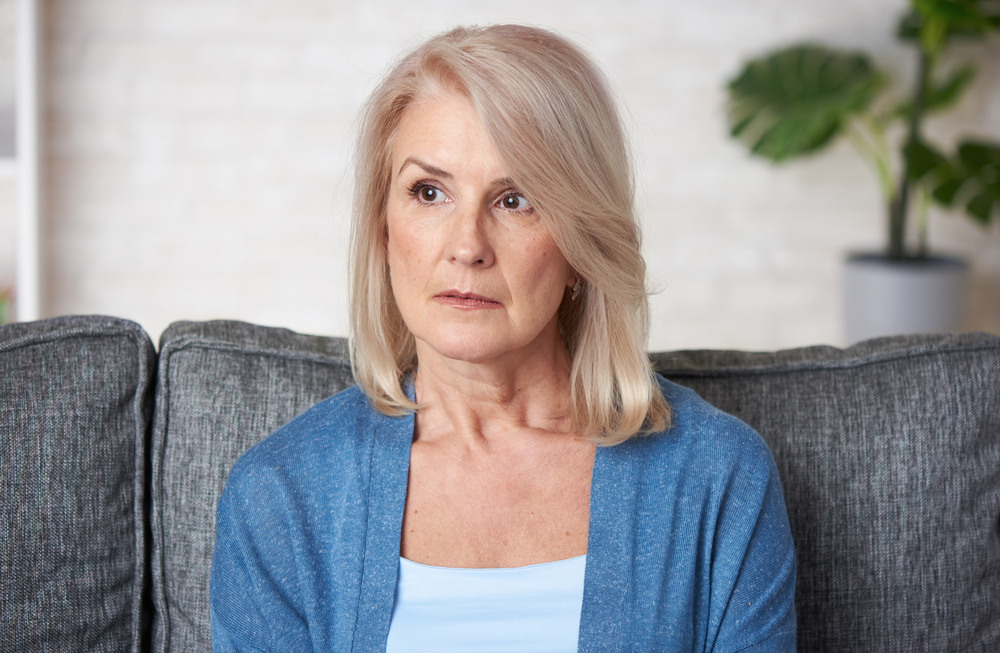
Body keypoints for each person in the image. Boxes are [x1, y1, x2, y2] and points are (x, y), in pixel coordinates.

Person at [210, 24, 796, 652]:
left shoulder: (717, 478)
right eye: (428, 192)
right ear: (382, 229)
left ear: (581, 244)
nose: (467, 246)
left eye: (515, 199)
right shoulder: (280, 497)